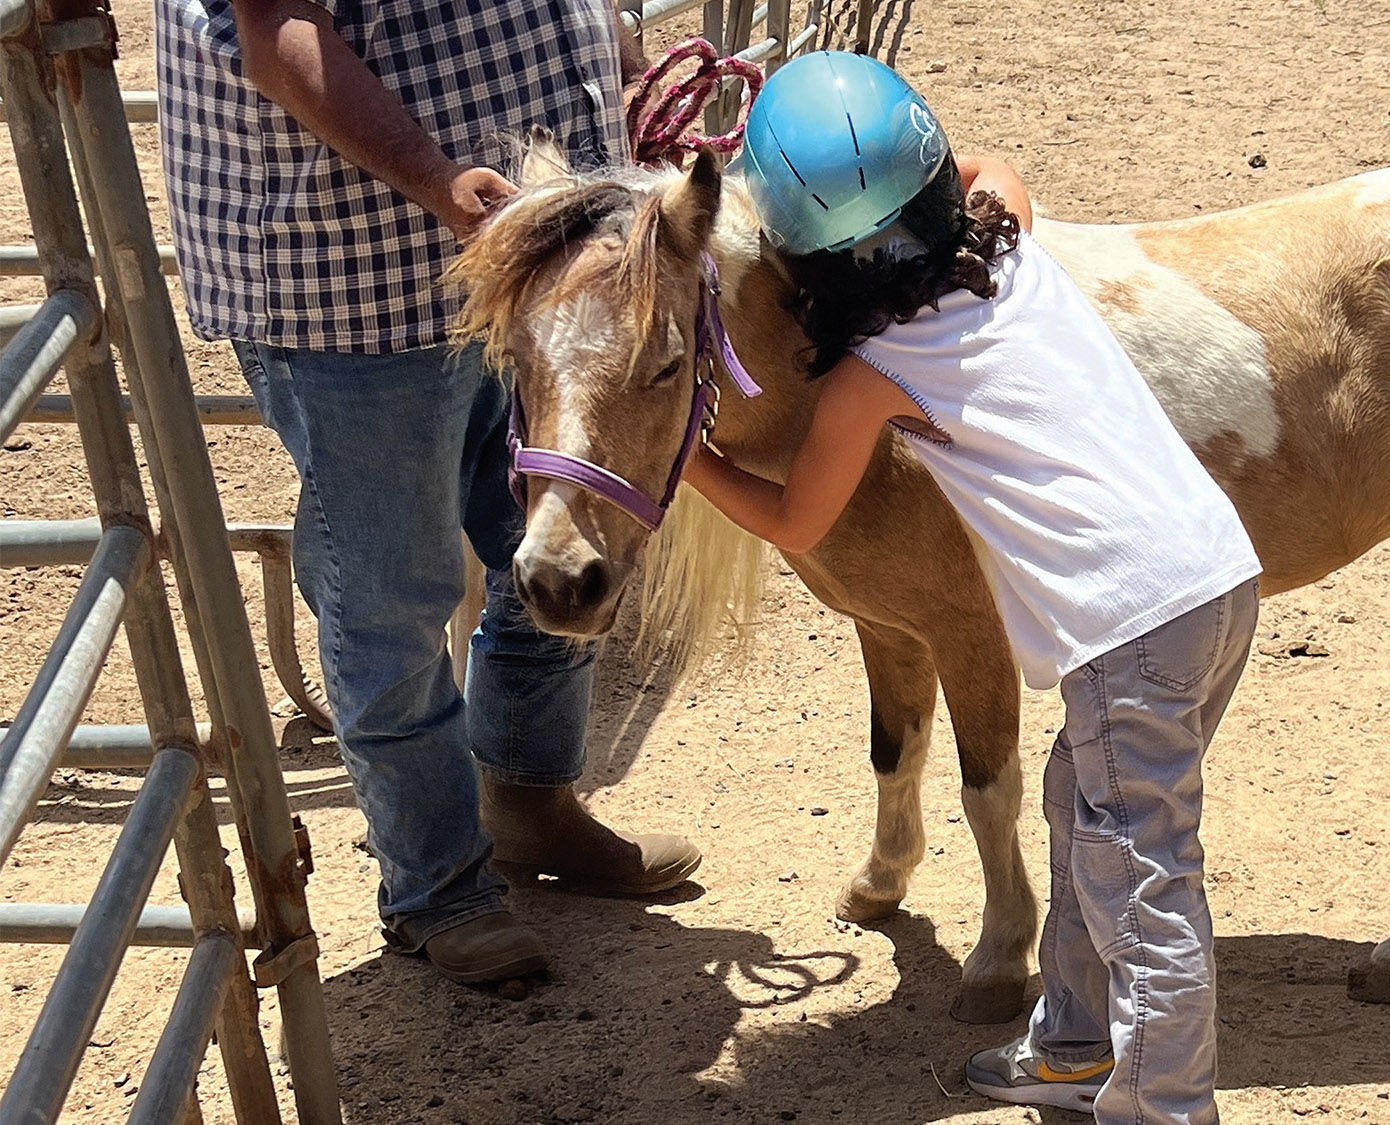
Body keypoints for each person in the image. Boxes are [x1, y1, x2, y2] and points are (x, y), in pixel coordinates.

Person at [695, 51, 1262, 1124]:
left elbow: (790, 520)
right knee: (1077, 814)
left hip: (1130, 626)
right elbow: (997, 168)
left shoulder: (872, 377)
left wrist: (685, 454)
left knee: (1145, 888)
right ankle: (1069, 1045)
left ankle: (1161, 1108)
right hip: (1213, 578)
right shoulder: (1006, 248)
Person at [154, 0, 702, 985]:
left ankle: (529, 801)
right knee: (390, 597)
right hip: (361, 272)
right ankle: (435, 889)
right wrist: (433, 176)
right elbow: (279, 25)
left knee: (555, 534)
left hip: (545, 252)